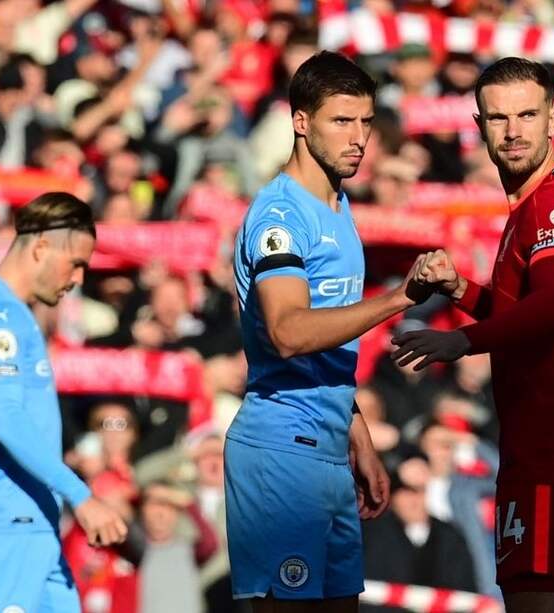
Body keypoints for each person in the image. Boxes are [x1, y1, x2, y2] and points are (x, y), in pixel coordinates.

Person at [391, 57, 554, 613]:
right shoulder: (548, 201)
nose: (514, 130)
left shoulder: (551, 205)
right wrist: (462, 290)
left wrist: (461, 341)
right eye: (499, 117)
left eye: (528, 114)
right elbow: (541, 316)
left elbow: (551, 305)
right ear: (478, 125)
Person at [226, 51, 425, 612]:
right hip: (280, 453)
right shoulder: (280, 216)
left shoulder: (336, 204)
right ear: (300, 121)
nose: (359, 136)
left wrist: (356, 432)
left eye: (365, 121)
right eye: (342, 121)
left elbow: (324, 344)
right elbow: (288, 332)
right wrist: (397, 299)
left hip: (327, 450)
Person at [0, 192, 128, 612]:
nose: (79, 278)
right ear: (41, 246)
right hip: (3, 528)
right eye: (75, 263)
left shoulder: (19, 316)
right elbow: (6, 420)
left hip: (37, 526)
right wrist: (80, 496)